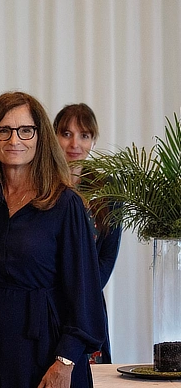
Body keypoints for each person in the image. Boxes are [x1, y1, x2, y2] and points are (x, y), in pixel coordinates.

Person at [0, 92, 106, 388]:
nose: (14, 139)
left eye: (25, 130)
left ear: (40, 137)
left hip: (49, 354)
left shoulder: (65, 204)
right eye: (3, 130)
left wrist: (65, 362)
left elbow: (85, 295)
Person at [53, 103, 122, 364]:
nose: (75, 143)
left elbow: (106, 259)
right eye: (66, 133)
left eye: (84, 135)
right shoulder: (41, 186)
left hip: (88, 303)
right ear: (54, 136)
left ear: (93, 141)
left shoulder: (109, 190)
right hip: (47, 302)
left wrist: (84, 294)